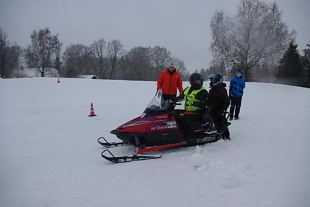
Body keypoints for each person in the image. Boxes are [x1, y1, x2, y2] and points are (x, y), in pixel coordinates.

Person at [207, 73, 230, 139]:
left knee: (221, 122)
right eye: (212, 80)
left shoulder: (222, 90)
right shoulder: (212, 90)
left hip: (219, 110)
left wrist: (222, 110)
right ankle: (213, 132)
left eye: (214, 80)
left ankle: (226, 135)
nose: (213, 82)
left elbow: (226, 101)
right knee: (210, 120)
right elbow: (209, 100)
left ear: (219, 80)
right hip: (212, 109)